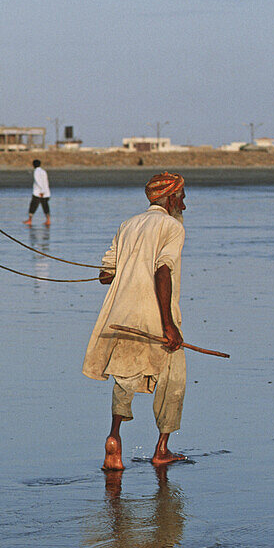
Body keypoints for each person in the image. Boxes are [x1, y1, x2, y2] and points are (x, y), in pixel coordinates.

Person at [82, 172, 188, 470]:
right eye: (181, 195)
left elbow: (106, 275)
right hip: (154, 314)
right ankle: (162, 449)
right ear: (170, 198)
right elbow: (163, 271)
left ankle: (114, 440)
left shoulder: (128, 225)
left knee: (124, 378)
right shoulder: (171, 227)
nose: (184, 202)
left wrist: (126, 266)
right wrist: (168, 325)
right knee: (172, 378)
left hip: (121, 315)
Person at [23, 159, 51, 226]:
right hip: (46, 192)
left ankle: (30, 220)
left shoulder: (36, 172)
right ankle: (48, 220)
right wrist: (45, 191)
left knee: (33, 206)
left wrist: (41, 191)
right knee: (45, 206)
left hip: (38, 193)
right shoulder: (43, 171)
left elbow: (38, 181)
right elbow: (46, 182)